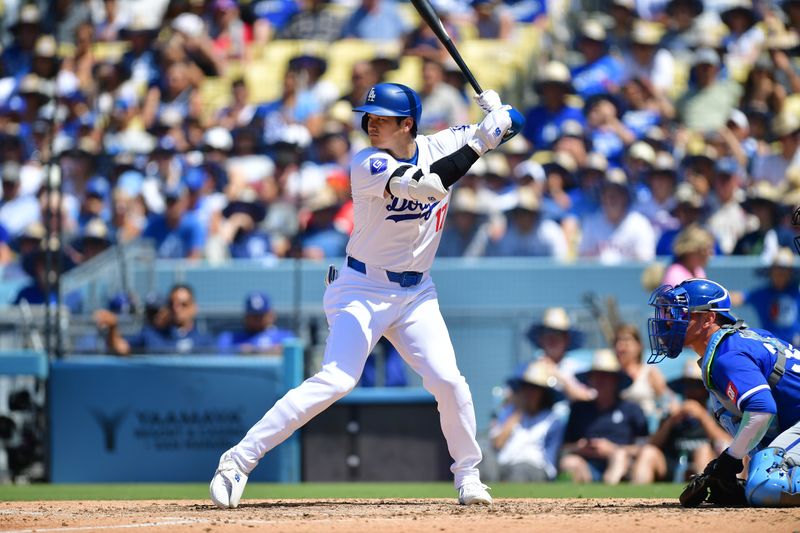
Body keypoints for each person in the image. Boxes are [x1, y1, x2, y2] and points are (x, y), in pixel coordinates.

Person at [209, 82, 517, 508]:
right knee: (337, 379)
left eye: (382, 119)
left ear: (407, 124)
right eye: (368, 117)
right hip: (361, 288)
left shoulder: (442, 142)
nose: (371, 124)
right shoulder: (366, 163)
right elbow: (428, 186)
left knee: (449, 381)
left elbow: (512, 123)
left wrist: (499, 114)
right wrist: (484, 139)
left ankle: (468, 476)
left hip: (416, 293)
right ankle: (237, 461)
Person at [647, 278, 800, 506]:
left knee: (767, 483)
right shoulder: (731, 344)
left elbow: (762, 409)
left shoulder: (727, 355)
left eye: (681, 313)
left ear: (709, 318)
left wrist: (728, 461)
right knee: (761, 477)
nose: (669, 321)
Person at [630, 360, 731, 484]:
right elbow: (652, 444)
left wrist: (703, 417)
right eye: (688, 385)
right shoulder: (672, 415)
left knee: (703, 450)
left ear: (705, 389)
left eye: (696, 385)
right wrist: (671, 421)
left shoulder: (717, 415)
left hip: (706, 466)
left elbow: (728, 444)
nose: (691, 390)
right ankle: (636, 498)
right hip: (673, 463)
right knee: (648, 453)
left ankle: (703, 493)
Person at [559, 348, 649, 484]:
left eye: (606, 375)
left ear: (616, 380)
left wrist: (613, 449)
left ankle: (612, 497)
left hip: (623, 465)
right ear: (590, 380)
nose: (600, 380)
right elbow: (564, 447)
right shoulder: (579, 409)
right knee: (570, 462)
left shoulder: (632, 409)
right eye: (596, 375)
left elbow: (644, 447)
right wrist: (581, 447)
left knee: (619, 457)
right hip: (587, 466)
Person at [489, 359, 566, 481]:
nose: (529, 393)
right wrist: (518, 412)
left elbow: (549, 461)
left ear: (543, 393)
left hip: (534, 469)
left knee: (520, 471)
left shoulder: (552, 420)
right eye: (526, 387)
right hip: (504, 466)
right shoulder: (510, 412)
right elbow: (497, 444)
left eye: (534, 388)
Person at [742, 247, 800, 347]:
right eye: (778, 270)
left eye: (784, 270)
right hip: (772, 347)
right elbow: (739, 298)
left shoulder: (797, 292)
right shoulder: (761, 294)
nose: (780, 274)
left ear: (790, 273)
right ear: (771, 271)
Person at [217, 292, 294, 355]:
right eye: (253, 316)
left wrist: (255, 351)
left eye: (261, 316)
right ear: (246, 317)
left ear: (271, 316)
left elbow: (292, 353)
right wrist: (238, 351)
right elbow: (221, 352)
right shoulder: (230, 338)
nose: (257, 320)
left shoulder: (285, 336)